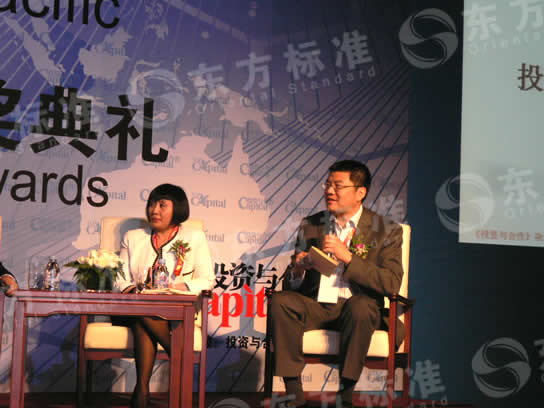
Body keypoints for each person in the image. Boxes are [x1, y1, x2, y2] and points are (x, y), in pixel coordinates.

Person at [269, 160, 405, 408]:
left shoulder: (386, 230)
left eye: (338, 186)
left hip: (359, 309)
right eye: (327, 185)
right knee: (280, 301)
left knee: (360, 307)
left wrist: (349, 257)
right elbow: (290, 285)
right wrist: (298, 270)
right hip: (317, 306)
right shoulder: (312, 225)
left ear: (360, 192)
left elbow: (392, 282)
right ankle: (293, 392)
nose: (329, 191)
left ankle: (346, 393)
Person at [114, 183, 214, 408]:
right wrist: (134, 291)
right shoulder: (133, 237)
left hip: (174, 311)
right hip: (133, 307)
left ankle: (141, 393)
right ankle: (179, 356)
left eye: (162, 205)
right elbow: (118, 277)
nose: (154, 210)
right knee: (142, 312)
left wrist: (178, 286)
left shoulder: (194, 237)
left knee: (143, 321)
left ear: (177, 208)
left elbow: (207, 279)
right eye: (151, 204)